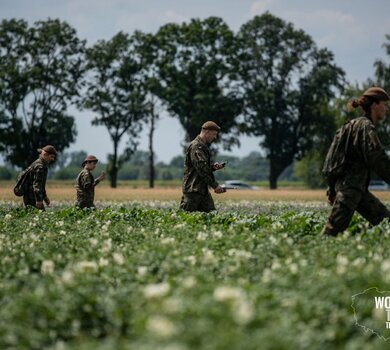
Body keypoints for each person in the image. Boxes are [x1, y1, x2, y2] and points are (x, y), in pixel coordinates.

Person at [322, 86, 390, 236]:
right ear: (374, 105)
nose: (386, 109)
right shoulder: (366, 127)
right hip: (350, 190)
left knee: (386, 221)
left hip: (355, 190)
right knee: (330, 234)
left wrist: (332, 188)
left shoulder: (350, 125)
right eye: (384, 104)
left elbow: (331, 161)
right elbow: (376, 157)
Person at [180, 121, 226, 212]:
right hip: (193, 191)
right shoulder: (197, 146)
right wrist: (215, 185)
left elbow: (200, 167)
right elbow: (202, 168)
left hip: (202, 191)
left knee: (212, 218)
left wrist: (212, 167)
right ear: (207, 131)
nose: (215, 137)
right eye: (214, 134)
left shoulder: (202, 146)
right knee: (184, 218)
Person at [23, 145, 57, 209]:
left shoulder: (41, 164)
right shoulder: (40, 167)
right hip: (32, 196)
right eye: (51, 157)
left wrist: (45, 197)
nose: (52, 159)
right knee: (36, 215)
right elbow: (37, 185)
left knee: (34, 215)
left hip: (32, 195)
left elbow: (41, 185)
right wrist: (38, 200)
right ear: (45, 155)